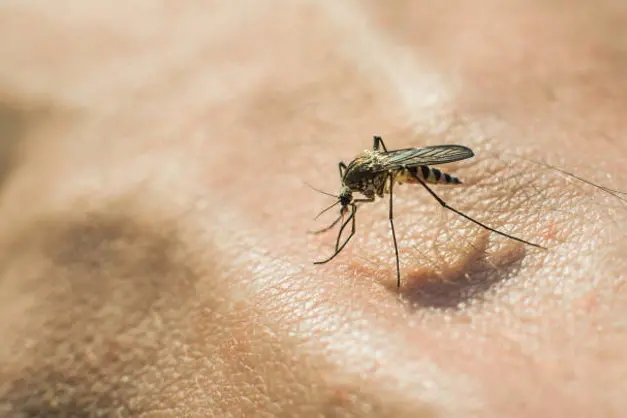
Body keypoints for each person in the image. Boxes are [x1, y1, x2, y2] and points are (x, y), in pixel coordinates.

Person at [1, 2, 626, 416]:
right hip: (387, 161)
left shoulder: (375, 176)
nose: (350, 199)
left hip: (411, 162)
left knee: (413, 190)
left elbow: (378, 177)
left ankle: (478, 222)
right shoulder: (354, 176)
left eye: (348, 196)